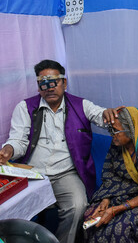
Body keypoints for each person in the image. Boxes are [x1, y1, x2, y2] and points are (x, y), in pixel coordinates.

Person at [0, 59, 120, 243]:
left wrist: (109, 115)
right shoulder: (25, 107)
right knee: (10, 208)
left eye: (53, 82)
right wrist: (8, 149)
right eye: (43, 83)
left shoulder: (82, 105)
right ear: (38, 86)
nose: (48, 88)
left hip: (66, 174)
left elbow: (100, 115)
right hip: (33, 175)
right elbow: (18, 140)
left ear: (64, 83)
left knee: (78, 205)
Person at [83, 107, 138, 243]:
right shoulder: (117, 147)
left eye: (116, 131)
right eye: (110, 130)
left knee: (119, 229)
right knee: (90, 217)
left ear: (131, 130)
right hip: (117, 194)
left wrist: (116, 209)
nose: (112, 135)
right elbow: (110, 175)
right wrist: (105, 200)